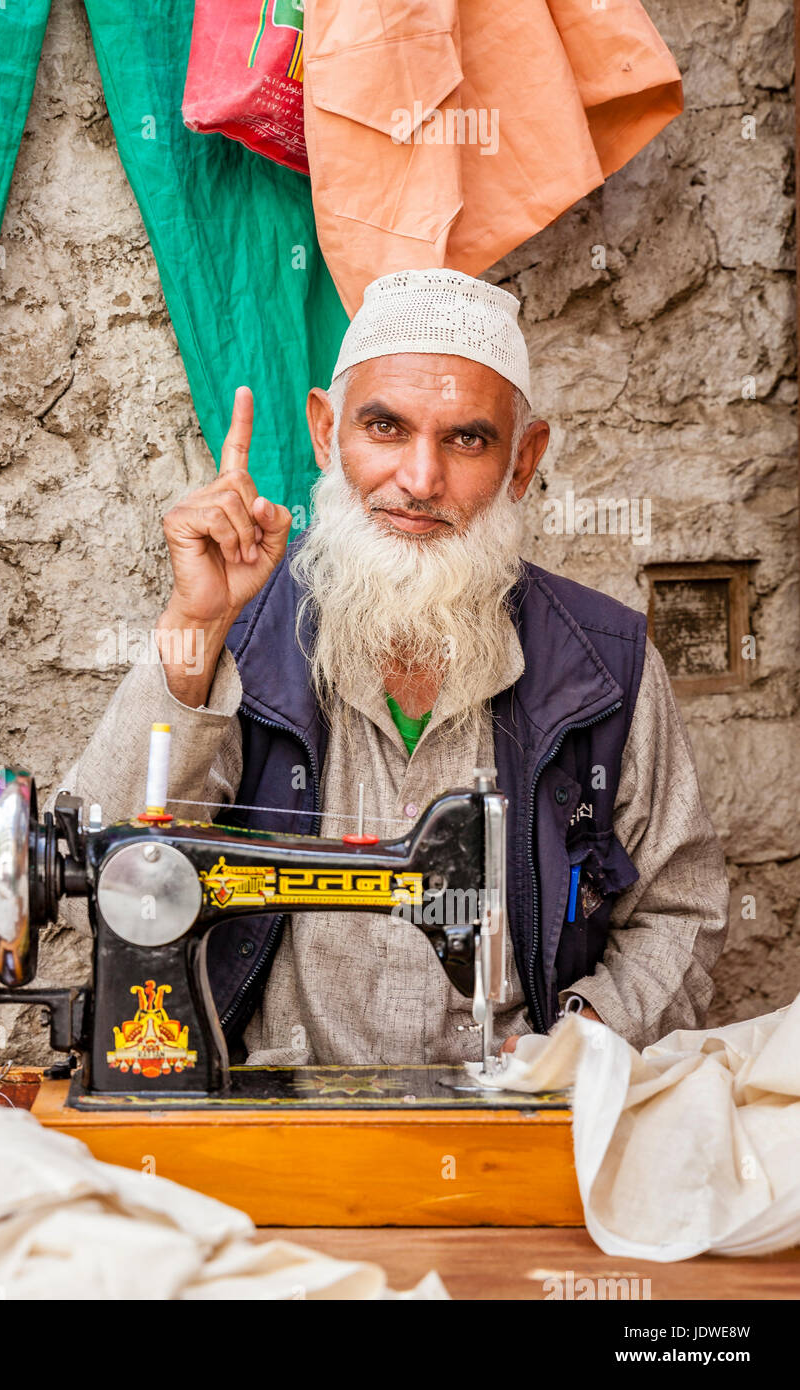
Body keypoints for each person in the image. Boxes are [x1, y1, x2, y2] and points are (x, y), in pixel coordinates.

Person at [59, 268, 728, 1064]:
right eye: (384, 428)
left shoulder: (607, 667)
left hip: (509, 1131)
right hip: (278, 1128)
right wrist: (196, 623)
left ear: (523, 460)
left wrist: (585, 1041)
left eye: (467, 439)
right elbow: (101, 880)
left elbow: (681, 914)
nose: (419, 480)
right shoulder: (242, 632)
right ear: (324, 432)